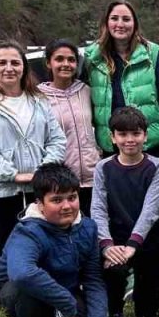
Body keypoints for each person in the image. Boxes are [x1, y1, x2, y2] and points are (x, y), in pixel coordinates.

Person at [0, 162, 107, 317]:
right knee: (26, 288)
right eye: (56, 200)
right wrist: (68, 305)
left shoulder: (87, 228)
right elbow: (22, 274)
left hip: (63, 293)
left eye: (72, 198)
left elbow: (93, 278)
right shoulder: (28, 231)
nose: (67, 206)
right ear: (40, 204)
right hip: (18, 293)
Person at [0, 39, 67, 265]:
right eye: (1, 63)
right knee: (7, 252)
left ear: (24, 67)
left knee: (44, 249)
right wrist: (14, 175)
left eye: (15, 62)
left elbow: (57, 139)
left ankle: (45, 297)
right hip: (0, 194)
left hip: (39, 191)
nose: (9, 68)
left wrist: (43, 171)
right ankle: (10, 298)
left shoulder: (39, 101)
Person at [92, 106, 159, 317]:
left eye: (136, 133)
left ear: (145, 135)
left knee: (148, 313)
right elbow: (98, 209)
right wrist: (106, 245)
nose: (130, 140)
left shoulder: (156, 166)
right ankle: (114, 310)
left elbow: (151, 210)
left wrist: (134, 244)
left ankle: (146, 296)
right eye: (123, 134)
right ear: (112, 138)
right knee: (113, 270)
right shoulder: (103, 168)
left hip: (148, 238)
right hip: (116, 238)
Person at [83, 0, 159, 165]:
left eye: (126, 19)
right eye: (114, 18)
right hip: (112, 149)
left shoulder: (151, 54)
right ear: (106, 23)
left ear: (135, 24)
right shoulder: (93, 58)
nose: (120, 24)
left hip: (150, 146)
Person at [39, 38, 100, 215]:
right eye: (59, 59)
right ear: (48, 63)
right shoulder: (39, 98)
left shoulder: (86, 91)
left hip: (92, 179)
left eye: (71, 59)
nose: (66, 64)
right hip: (60, 183)